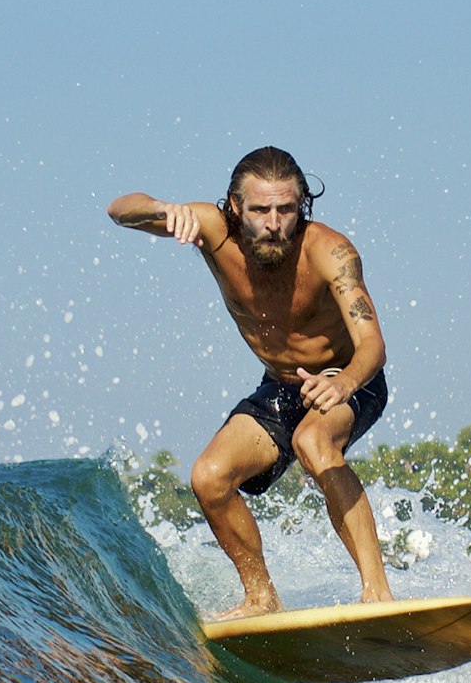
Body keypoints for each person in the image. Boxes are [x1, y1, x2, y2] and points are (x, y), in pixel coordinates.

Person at [109, 148, 391, 620]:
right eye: (261, 210)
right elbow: (119, 210)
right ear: (236, 207)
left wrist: (343, 383)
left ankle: (377, 594)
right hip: (281, 386)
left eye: (286, 209)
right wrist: (162, 210)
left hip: (346, 379)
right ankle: (261, 597)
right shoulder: (212, 231)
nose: (275, 222)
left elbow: (373, 345)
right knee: (209, 478)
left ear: (301, 205)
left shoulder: (330, 252)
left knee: (313, 442)